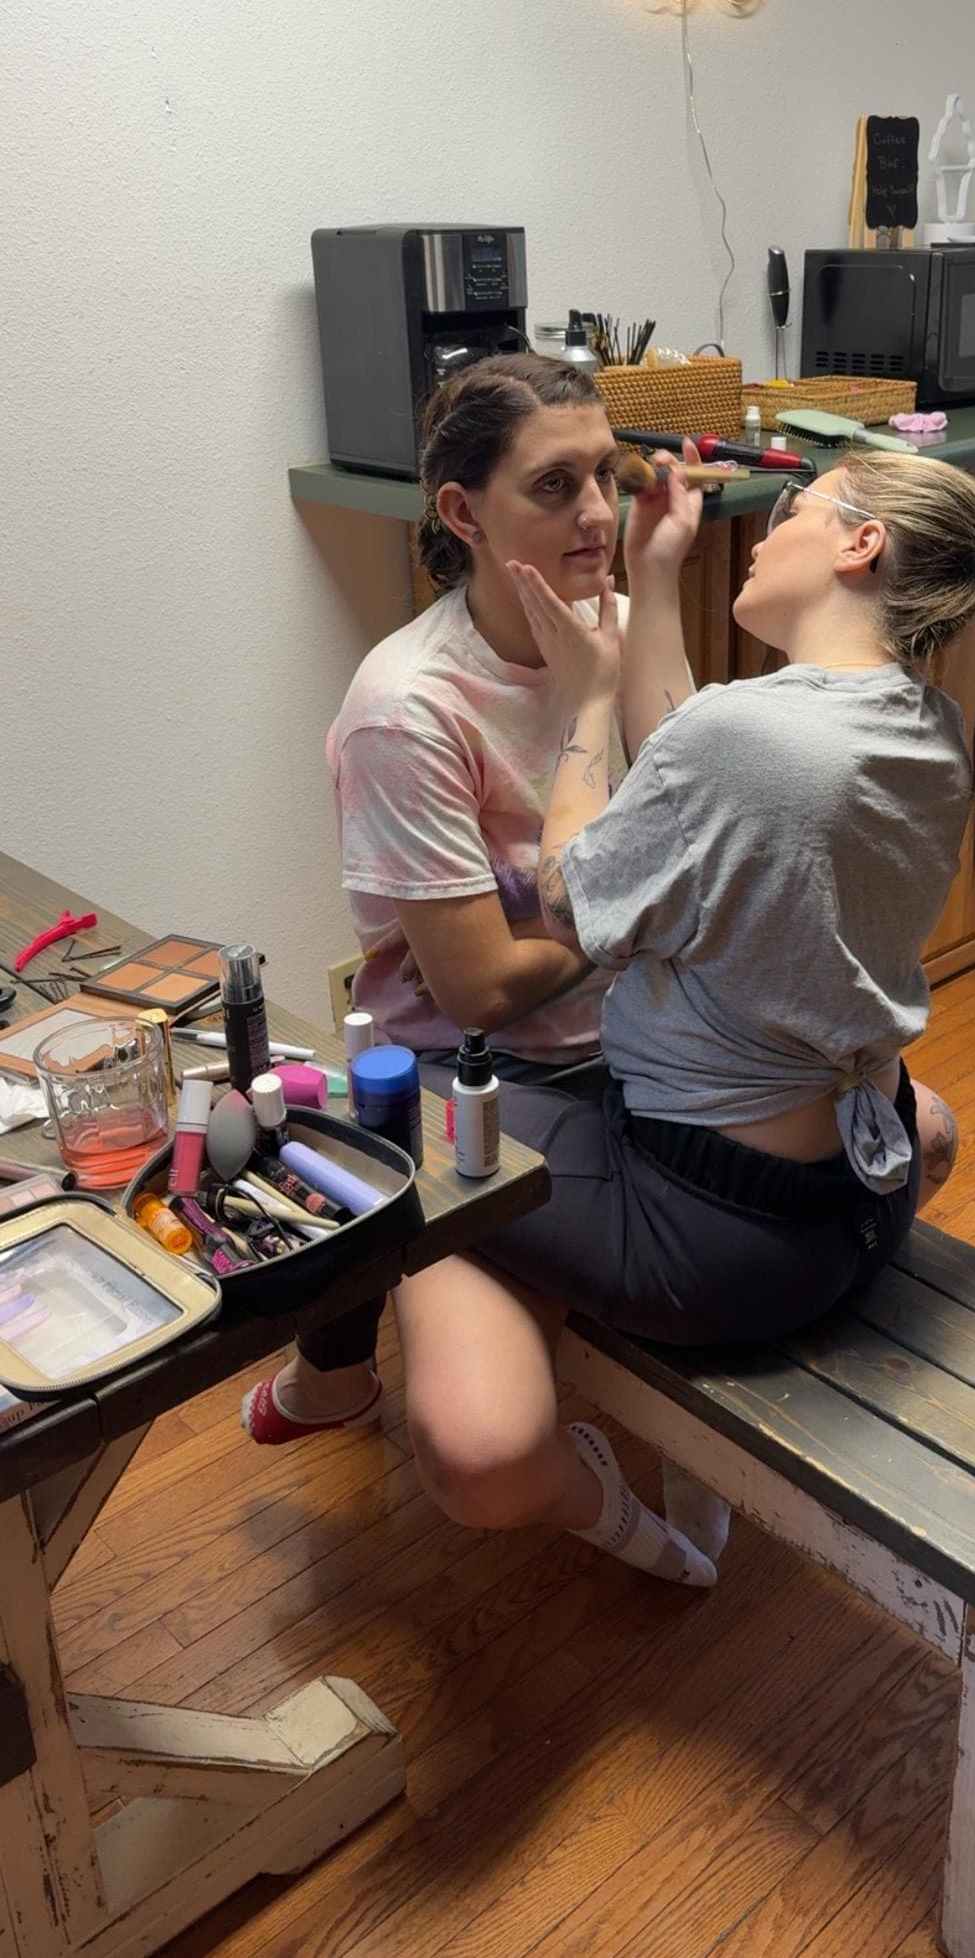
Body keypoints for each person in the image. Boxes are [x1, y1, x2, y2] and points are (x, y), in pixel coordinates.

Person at [388, 447, 975, 1588]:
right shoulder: (922, 724)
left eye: (793, 508)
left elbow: (569, 896)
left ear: (860, 544)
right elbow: (698, 767)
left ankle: (609, 1495)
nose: (765, 529)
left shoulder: (750, 740)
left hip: (711, 1246)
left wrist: (586, 701)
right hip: (862, 1190)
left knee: (380, 1124)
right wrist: (657, 575)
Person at [242, 350, 679, 1441]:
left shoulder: (614, 620)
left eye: (608, 477)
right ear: (461, 511)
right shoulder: (409, 710)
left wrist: (659, 585)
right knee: (487, 1446)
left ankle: (367, 1351)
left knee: (924, 1132)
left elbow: (694, 814)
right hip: (479, 1073)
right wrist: (637, 902)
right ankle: (351, 1359)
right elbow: (481, 991)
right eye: (553, 486)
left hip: (635, 1036)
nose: (597, 514)